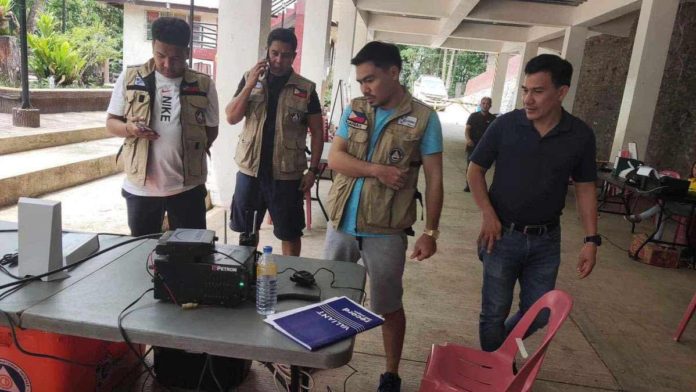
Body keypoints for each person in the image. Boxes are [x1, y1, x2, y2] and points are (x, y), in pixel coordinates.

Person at [323, 41, 444, 392]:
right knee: (333, 296)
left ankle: (391, 373)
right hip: (342, 222)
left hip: (387, 229)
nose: (365, 87)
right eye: (361, 80)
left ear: (394, 73)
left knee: (387, 305)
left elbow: (435, 179)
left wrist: (431, 232)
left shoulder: (424, 119)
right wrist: (377, 170)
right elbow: (336, 160)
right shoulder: (356, 108)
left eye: (371, 79)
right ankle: (324, 355)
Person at [467, 54, 599, 353]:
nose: (528, 98)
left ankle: (498, 357)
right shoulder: (505, 125)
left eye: (537, 91)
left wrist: (591, 239)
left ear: (561, 92)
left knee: (539, 313)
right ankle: (495, 373)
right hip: (501, 235)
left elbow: (586, 188)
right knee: (493, 313)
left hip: (546, 241)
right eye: (525, 90)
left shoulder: (579, 135)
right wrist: (487, 214)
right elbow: (475, 170)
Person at [106, 17, 219, 236]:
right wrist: (130, 129)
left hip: (187, 188)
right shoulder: (131, 77)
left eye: (175, 58)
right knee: (142, 252)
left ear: (187, 52)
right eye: (161, 56)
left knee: (190, 254)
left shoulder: (203, 84)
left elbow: (211, 129)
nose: (167, 64)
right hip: (141, 189)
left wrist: (191, 148)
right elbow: (111, 123)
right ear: (153, 47)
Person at [225, 28, 323, 256]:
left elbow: (317, 132)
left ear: (294, 56)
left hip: (287, 175)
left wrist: (313, 171)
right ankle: (248, 277)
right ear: (267, 52)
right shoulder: (250, 77)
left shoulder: (306, 88)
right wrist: (249, 84)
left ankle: (289, 278)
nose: (279, 60)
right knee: (247, 231)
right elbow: (231, 117)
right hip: (251, 171)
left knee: (289, 233)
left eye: (286, 55)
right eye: (275, 53)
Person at [625, 161, 696, 240]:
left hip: (692, 209)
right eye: (695, 168)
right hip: (683, 205)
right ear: (692, 168)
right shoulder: (690, 180)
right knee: (662, 209)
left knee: (664, 205)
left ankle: (640, 217)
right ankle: (657, 237)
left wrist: (689, 193)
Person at [464, 97, 495, 192]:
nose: (485, 105)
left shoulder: (493, 119)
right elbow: (467, 129)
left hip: (485, 147)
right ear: (480, 104)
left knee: (482, 168)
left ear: (490, 105)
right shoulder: (473, 116)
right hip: (473, 145)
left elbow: (495, 134)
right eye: (483, 103)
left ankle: (478, 186)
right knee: (470, 166)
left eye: (487, 103)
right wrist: (468, 139)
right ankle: (468, 185)